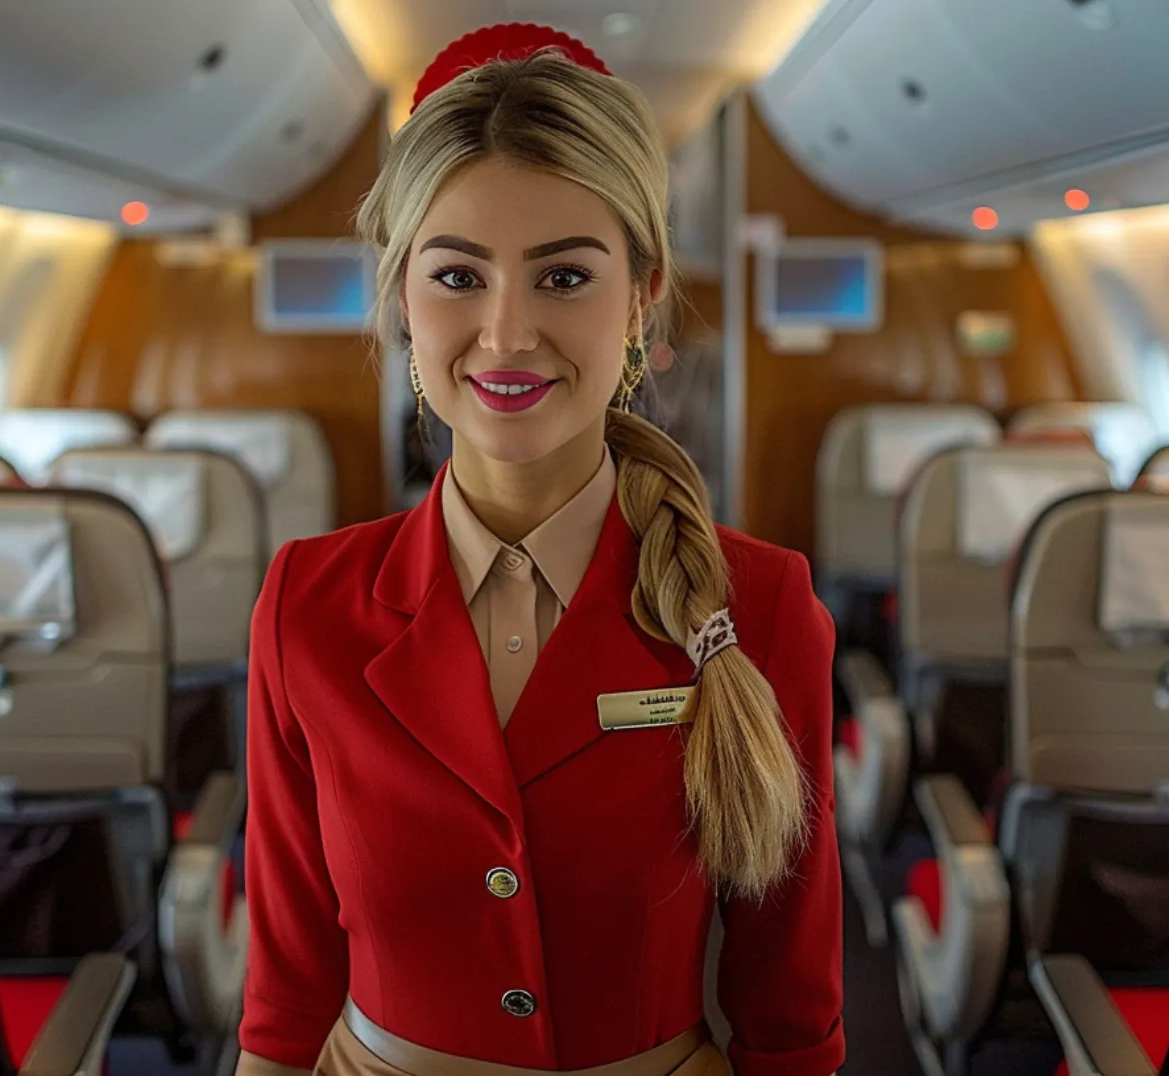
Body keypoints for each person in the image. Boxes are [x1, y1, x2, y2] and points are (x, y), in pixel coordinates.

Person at [236, 23, 843, 1076]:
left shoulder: (763, 604)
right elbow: (286, 999)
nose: (507, 333)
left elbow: (788, 1021)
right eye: (458, 275)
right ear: (401, 295)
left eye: (563, 277)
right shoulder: (305, 603)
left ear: (645, 300)